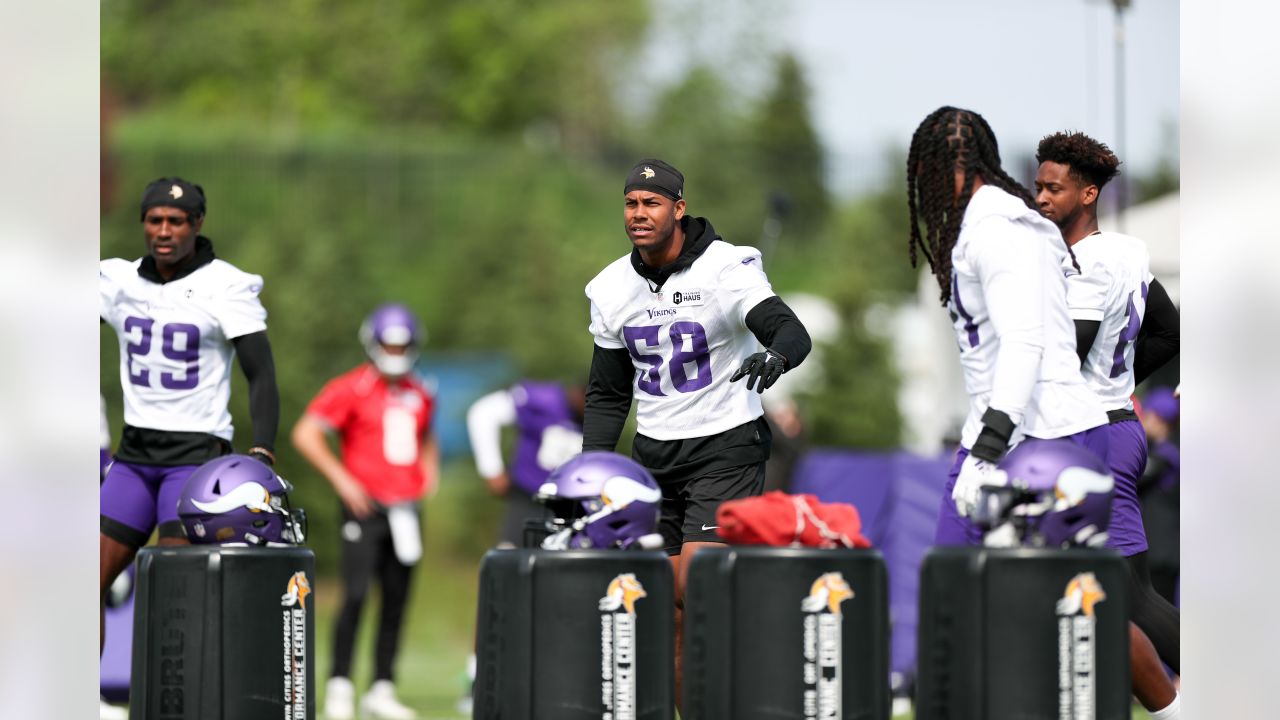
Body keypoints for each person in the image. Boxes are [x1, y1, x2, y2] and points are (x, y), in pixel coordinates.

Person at [582, 158, 812, 706]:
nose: (639, 214)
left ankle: (769, 670)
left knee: (699, 588)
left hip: (725, 445)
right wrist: (591, 466)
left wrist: (776, 357)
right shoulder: (612, 288)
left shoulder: (725, 268)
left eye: (652, 203)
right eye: (632, 203)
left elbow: (789, 328)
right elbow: (608, 393)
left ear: (678, 209)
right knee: (664, 610)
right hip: (654, 456)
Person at [99, 177, 279, 719]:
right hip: (133, 460)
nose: (164, 231)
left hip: (195, 463)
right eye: (154, 220)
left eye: (176, 221)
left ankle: (168, 708)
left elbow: (261, 374)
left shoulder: (226, 286)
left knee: (171, 598)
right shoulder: (114, 279)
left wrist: (263, 450)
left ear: (197, 224)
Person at [905, 107, 1108, 545]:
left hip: (1036, 434)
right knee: (961, 589)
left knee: (985, 593)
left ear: (934, 169)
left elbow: (1023, 344)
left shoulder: (998, 230)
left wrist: (985, 452)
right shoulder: (987, 225)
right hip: (1008, 428)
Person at [1034, 130, 1181, 674]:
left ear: (1089, 194)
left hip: (1091, 437)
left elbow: (1070, 350)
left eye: (1054, 188)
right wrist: (1121, 381)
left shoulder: (1086, 264)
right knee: (1102, 590)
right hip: (1110, 424)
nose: (1042, 198)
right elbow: (1170, 332)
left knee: (1129, 594)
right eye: (1039, 187)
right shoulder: (1123, 254)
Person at [292, 303, 438, 720]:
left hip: (406, 509)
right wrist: (343, 480)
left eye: (402, 345)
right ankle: (340, 685)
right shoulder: (351, 387)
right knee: (355, 594)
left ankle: (382, 686)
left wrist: (428, 476)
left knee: (397, 598)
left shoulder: (421, 390)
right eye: (389, 345)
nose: (396, 352)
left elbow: (426, 438)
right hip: (365, 507)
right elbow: (307, 433)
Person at [466, 381, 585, 548]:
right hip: (527, 496)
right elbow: (484, 412)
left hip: (570, 507)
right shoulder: (544, 401)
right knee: (508, 560)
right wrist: (492, 469)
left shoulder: (593, 420)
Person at [1138, 387, 1180, 605]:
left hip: (1162, 554)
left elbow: (1137, 478)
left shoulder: (1168, 455)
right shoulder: (1160, 451)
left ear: (1158, 418)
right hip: (1159, 551)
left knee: (1160, 615)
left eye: (1146, 415)